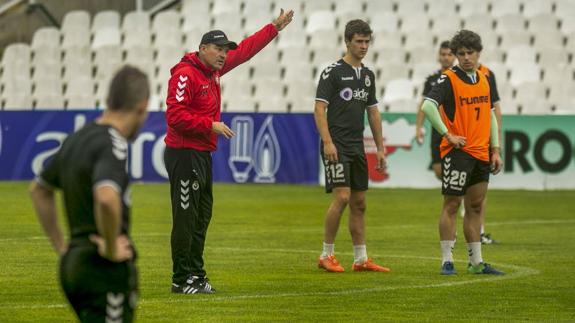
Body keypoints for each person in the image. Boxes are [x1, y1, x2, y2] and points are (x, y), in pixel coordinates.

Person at [164, 9, 294, 294]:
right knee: (186, 217)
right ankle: (180, 278)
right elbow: (174, 117)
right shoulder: (186, 75)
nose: (223, 54)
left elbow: (245, 51)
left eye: (225, 50)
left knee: (202, 216)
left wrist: (273, 28)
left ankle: (196, 275)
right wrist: (209, 125)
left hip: (200, 154)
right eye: (218, 49)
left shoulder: (213, 71)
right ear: (202, 49)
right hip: (184, 154)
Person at [29, 66, 150, 322]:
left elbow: (40, 190)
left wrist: (63, 248)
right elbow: (106, 197)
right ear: (142, 107)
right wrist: (108, 246)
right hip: (101, 269)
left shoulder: (77, 139)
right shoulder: (113, 142)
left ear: (109, 100)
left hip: (73, 265)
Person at [421, 30, 504, 276]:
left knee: (475, 206)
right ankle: (447, 260)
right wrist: (448, 135)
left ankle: (476, 262)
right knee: (452, 204)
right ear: (456, 56)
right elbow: (428, 106)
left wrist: (495, 149)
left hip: (481, 153)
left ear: (479, 53)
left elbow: (489, 114)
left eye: (471, 53)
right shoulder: (448, 79)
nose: (466, 58)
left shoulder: (484, 79)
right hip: (458, 152)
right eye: (461, 54)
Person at [314, 19, 390, 273]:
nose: (364, 46)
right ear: (347, 42)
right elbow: (319, 109)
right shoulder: (332, 72)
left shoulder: (367, 76)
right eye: (359, 41)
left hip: (357, 146)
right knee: (343, 196)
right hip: (337, 145)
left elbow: (374, 113)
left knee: (359, 203)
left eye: (367, 41)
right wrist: (327, 142)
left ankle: (361, 259)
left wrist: (379, 148)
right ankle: (326, 254)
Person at [415, 40, 456, 179]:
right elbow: (424, 105)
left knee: (456, 169)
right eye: (443, 54)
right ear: (439, 56)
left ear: (454, 57)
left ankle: (457, 198)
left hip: (455, 128)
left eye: (449, 54)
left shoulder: (459, 78)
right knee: (438, 169)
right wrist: (418, 127)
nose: (446, 57)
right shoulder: (432, 80)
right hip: (437, 130)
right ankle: (454, 196)